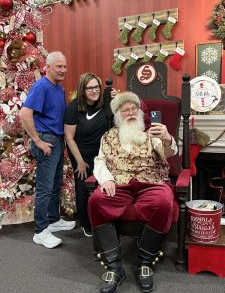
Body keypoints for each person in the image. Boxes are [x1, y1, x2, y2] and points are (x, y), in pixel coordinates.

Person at [88, 91, 178, 293]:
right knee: (96, 200)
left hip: (151, 182)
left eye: (133, 109)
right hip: (119, 184)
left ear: (139, 111)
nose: (130, 113)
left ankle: (145, 262)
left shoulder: (152, 133)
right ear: (118, 115)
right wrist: (107, 178)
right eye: (125, 110)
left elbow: (168, 153)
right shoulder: (108, 136)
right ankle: (114, 267)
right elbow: (100, 161)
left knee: (164, 201)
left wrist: (166, 138)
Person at [19, 51, 75, 249]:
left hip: (58, 140)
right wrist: (38, 141)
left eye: (65, 66)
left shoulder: (58, 89)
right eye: (59, 66)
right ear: (48, 67)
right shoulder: (41, 86)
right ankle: (40, 231)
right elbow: (25, 114)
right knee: (44, 187)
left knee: (54, 184)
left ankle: (52, 220)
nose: (63, 70)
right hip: (47, 140)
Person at [64, 72, 117, 237]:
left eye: (97, 87)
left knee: (104, 183)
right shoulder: (74, 107)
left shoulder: (105, 103)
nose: (94, 90)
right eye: (90, 88)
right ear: (83, 89)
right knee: (82, 188)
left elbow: (122, 113)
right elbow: (69, 138)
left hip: (101, 154)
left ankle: (105, 220)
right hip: (80, 154)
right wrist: (79, 161)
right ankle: (85, 223)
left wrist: (116, 98)